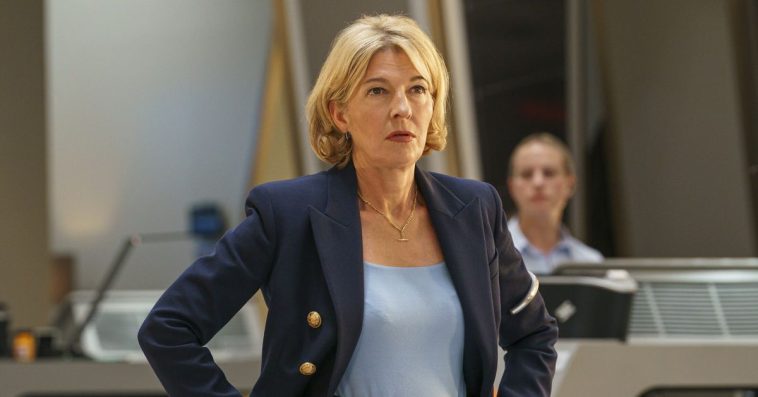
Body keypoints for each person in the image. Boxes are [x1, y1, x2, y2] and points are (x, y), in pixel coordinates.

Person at [138, 14, 557, 397]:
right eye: (378, 91)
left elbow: (533, 335)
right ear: (339, 113)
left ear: (433, 103)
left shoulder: (475, 208)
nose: (402, 108)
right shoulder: (287, 213)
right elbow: (168, 329)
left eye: (418, 89)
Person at [506, 132, 603, 274]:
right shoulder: (489, 256)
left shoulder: (591, 263)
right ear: (512, 187)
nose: (538, 183)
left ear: (570, 184)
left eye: (549, 173)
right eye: (527, 174)